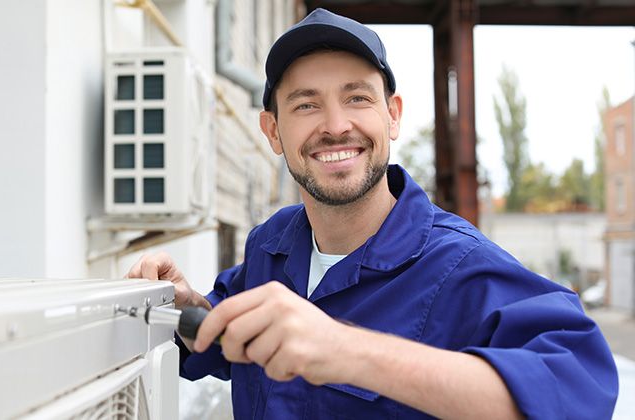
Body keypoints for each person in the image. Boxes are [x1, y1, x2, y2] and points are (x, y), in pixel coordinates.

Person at [127, 8, 618, 420]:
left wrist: (346, 351)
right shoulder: (270, 246)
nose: (336, 126)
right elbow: (226, 336)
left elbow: (580, 387)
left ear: (393, 115)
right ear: (273, 132)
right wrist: (187, 304)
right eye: (306, 106)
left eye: (357, 98)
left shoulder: (458, 266)